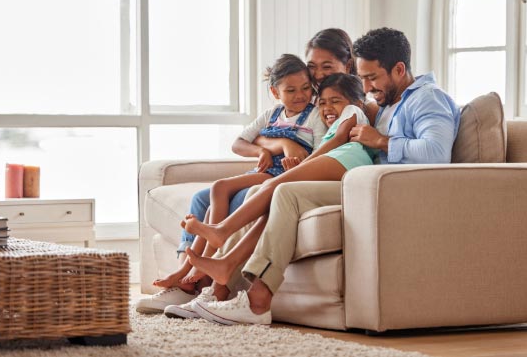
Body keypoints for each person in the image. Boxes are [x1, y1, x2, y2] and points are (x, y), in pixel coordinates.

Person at [188, 27, 461, 325]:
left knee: (286, 191)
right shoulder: (385, 101)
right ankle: (221, 289)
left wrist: (381, 141)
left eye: (372, 78)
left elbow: (437, 153)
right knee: (278, 191)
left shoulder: (427, 99)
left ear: (399, 69)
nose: (367, 86)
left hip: (393, 191)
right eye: (363, 78)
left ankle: (256, 301)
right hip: (362, 184)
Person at [135, 28, 359, 314]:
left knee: (240, 193)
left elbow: (323, 146)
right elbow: (256, 138)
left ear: (347, 66)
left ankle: (196, 281)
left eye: (326, 67)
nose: (315, 77)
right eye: (312, 67)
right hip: (275, 166)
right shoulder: (300, 101)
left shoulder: (331, 104)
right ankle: (186, 283)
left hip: (289, 175)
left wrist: (288, 150)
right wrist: (279, 144)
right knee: (205, 197)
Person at [177, 73, 373, 325]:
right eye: (322, 102)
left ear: (356, 101)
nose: (326, 108)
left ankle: (222, 231)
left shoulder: (353, 113)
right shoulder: (337, 116)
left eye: (335, 100)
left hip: (347, 159)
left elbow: (335, 141)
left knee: (275, 185)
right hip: (339, 161)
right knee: (267, 192)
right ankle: (221, 278)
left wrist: (301, 167)